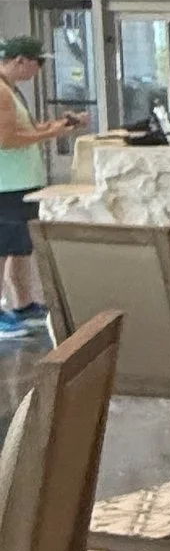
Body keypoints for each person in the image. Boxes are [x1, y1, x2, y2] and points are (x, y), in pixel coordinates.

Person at [0, 40, 80, 332]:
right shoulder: (1, 91)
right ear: (21, 60)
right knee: (3, 248)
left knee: (21, 246)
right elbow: (6, 140)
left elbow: (24, 130)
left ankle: (22, 304)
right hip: (6, 186)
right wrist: (50, 135)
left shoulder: (10, 89)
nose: (39, 71)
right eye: (38, 63)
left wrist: (57, 126)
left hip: (22, 183)